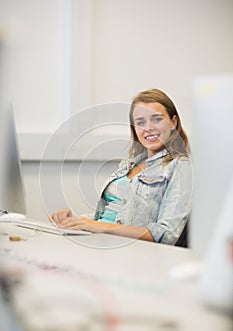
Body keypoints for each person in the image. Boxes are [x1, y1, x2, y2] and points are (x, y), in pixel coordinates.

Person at [50, 88, 192, 245]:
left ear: (173, 122)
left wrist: (101, 227)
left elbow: (166, 233)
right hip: (101, 241)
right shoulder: (129, 163)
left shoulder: (180, 166)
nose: (148, 127)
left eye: (157, 119)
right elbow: (111, 214)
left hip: (128, 251)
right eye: (140, 122)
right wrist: (76, 220)